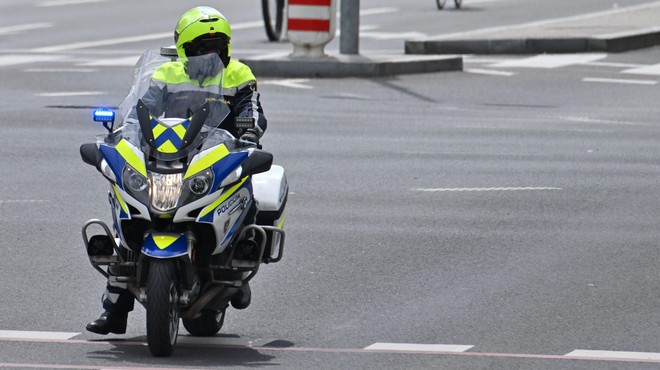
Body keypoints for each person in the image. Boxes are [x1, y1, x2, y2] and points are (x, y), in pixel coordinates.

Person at [86, 6, 266, 335]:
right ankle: (115, 308)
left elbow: (249, 109)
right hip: (170, 156)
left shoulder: (238, 73)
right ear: (184, 50)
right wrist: (122, 136)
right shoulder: (166, 75)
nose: (208, 56)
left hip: (216, 156)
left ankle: (238, 268)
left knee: (248, 190)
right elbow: (139, 111)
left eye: (216, 47)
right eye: (200, 49)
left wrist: (251, 133)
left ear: (226, 48)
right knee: (130, 210)